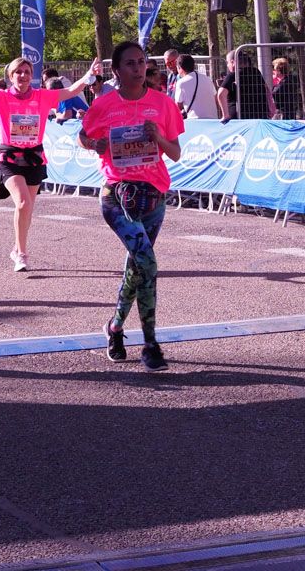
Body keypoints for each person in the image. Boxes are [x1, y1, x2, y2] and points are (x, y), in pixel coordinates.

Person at [79, 41, 184, 372]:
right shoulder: (104, 103)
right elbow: (83, 136)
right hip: (117, 195)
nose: (138, 68)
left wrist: (158, 138)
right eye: (130, 63)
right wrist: (94, 144)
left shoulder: (163, 104)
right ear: (116, 71)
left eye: (141, 62)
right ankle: (151, 345)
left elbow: (175, 152)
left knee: (137, 267)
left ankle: (115, 327)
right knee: (148, 263)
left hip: (153, 195)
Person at [0, 54, 103, 272]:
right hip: (9, 157)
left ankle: (17, 247)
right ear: (10, 76)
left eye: (26, 72)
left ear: (32, 76)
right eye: (18, 72)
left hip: (34, 156)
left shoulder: (42, 96)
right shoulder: (1, 97)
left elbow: (71, 91)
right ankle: (22, 255)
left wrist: (89, 74)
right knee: (23, 203)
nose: (22, 76)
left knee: (27, 208)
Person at [217, 49, 275, 121]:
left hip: (239, 117)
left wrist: (225, 115)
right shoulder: (256, 73)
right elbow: (267, 91)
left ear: (232, 62)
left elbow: (221, 94)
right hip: (260, 116)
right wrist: (271, 109)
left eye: (227, 63)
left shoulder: (233, 75)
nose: (227, 65)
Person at [172, 54, 219, 119]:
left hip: (195, 120)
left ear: (180, 68)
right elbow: (215, 98)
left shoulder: (181, 83)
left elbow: (178, 106)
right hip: (213, 119)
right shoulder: (207, 79)